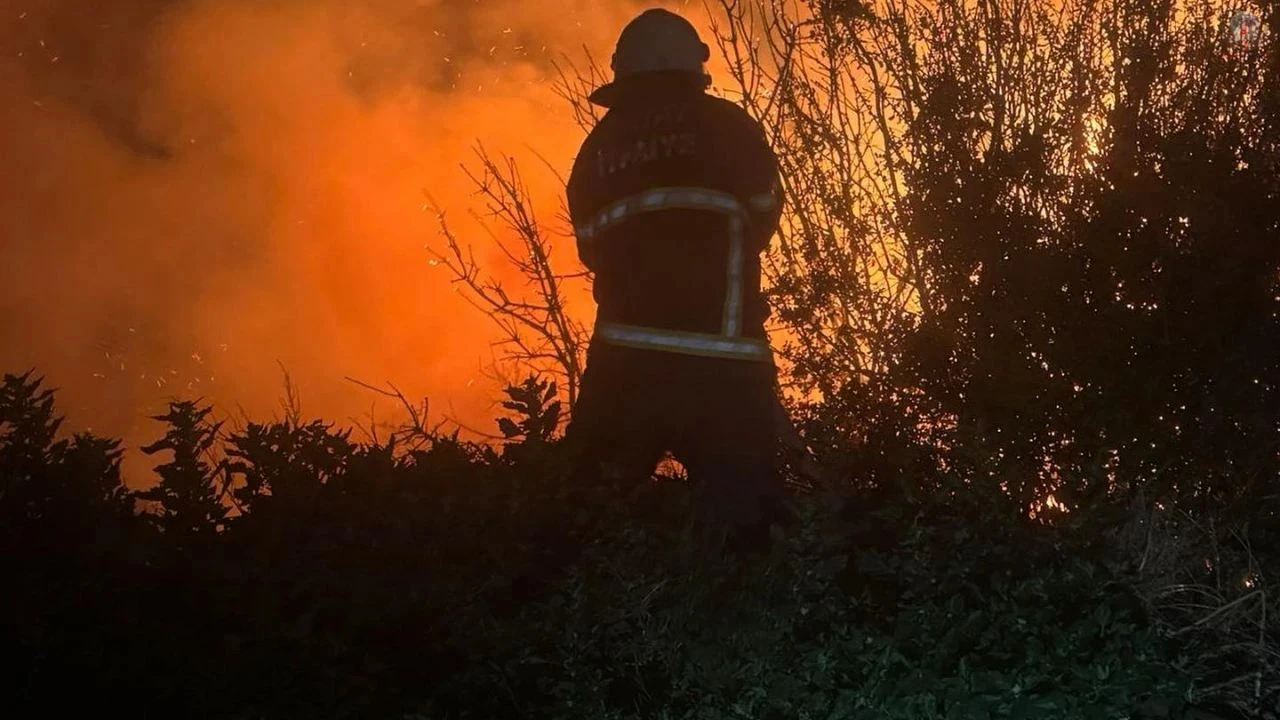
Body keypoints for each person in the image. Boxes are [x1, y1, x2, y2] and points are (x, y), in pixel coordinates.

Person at [563, 7, 795, 551]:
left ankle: (569, 625)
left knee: (583, 520)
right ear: (694, 68)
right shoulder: (731, 127)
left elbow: (591, 248)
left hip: (625, 362)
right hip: (725, 362)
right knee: (753, 529)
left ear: (624, 75)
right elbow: (762, 215)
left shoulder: (597, 149)